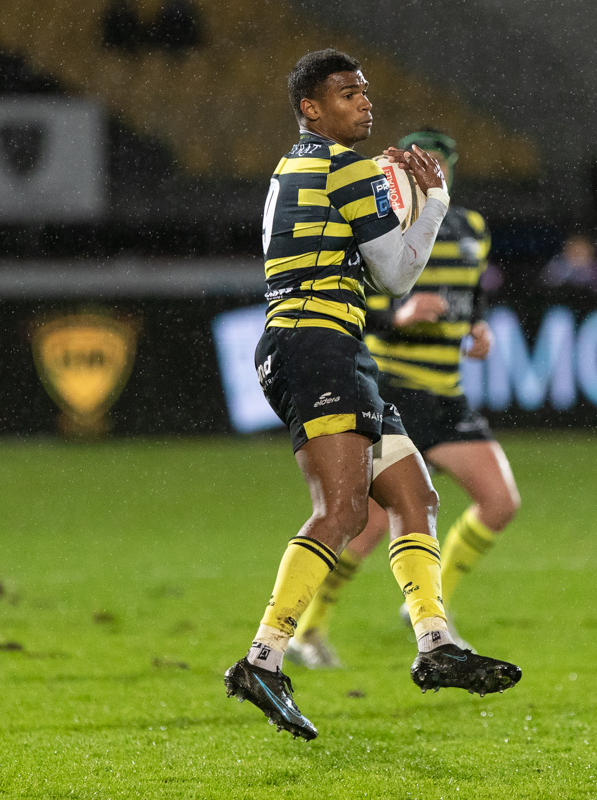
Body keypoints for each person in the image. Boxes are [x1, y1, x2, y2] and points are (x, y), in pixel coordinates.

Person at [222, 49, 520, 741]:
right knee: (343, 511)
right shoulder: (342, 164)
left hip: (328, 347)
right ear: (311, 108)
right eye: (347, 94)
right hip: (316, 344)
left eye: (365, 91)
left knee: (415, 496)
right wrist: (433, 201)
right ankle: (263, 658)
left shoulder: (295, 164)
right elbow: (396, 275)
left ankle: (437, 643)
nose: (364, 102)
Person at [286, 129, 521, 665]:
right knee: (365, 529)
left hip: (447, 393)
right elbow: (351, 301)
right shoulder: (377, 225)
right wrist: (399, 315)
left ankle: (432, 603)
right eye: (418, 162)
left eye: (437, 164)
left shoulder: (472, 229)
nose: (427, 172)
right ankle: (308, 630)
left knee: (500, 501)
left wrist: (478, 328)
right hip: (395, 391)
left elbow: (472, 294)